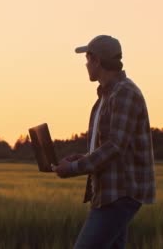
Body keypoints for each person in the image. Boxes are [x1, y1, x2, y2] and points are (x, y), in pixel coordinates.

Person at [51, 35, 156, 249]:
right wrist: (83, 158)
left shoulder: (124, 93)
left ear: (97, 61)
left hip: (119, 193)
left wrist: (72, 168)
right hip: (108, 192)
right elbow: (109, 147)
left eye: (88, 59)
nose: (86, 64)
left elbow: (115, 147)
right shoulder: (106, 97)